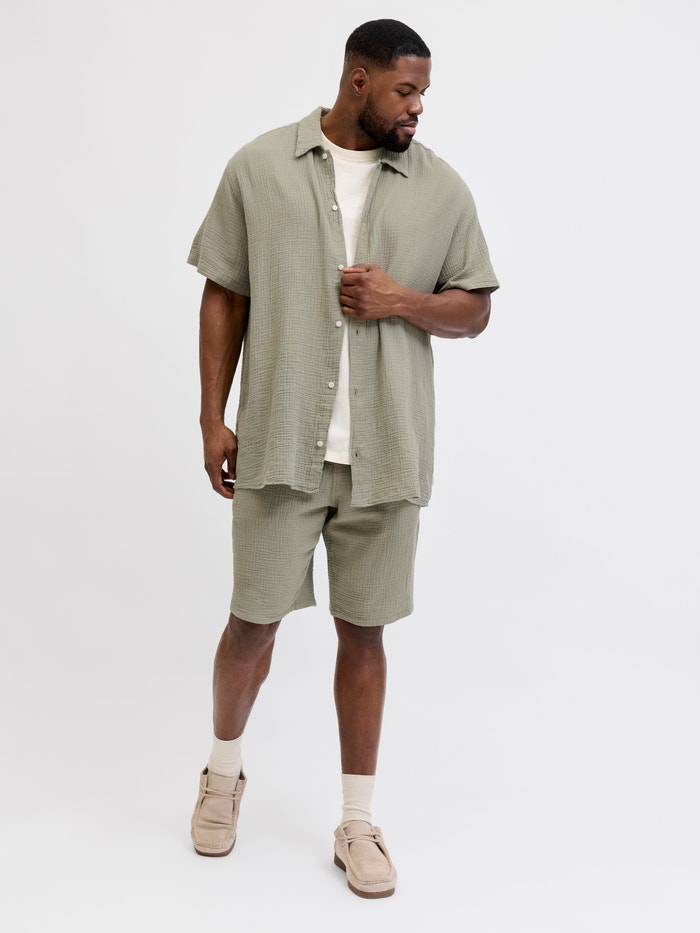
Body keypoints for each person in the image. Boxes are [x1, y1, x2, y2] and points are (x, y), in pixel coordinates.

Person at [187, 18, 499, 899]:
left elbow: (475, 308)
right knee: (252, 624)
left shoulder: (441, 187)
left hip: (387, 456)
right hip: (280, 446)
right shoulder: (260, 167)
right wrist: (211, 418)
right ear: (358, 80)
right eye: (406, 90)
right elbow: (224, 290)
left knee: (365, 635)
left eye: (423, 92)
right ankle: (221, 773)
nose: (418, 107)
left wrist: (402, 299)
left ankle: (357, 820)